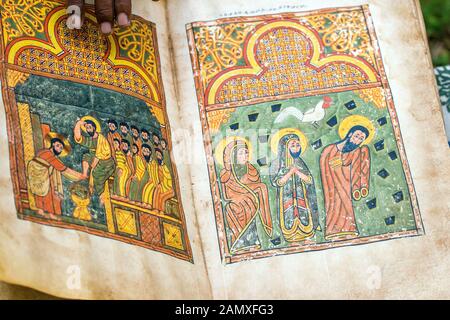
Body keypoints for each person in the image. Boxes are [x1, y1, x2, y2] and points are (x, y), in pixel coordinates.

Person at [219, 140, 273, 252]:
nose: (245, 156)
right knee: (239, 206)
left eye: (246, 153)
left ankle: (253, 241)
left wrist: (248, 191)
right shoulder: (226, 173)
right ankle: (238, 244)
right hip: (236, 204)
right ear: (233, 156)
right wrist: (240, 194)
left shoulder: (252, 169)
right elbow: (226, 196)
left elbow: (256, 187)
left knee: (258, 192)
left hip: (250, 201)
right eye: (241, 153)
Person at [320, 125, 371, 241]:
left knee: (347, 207)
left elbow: (357, 169)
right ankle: (332, 231)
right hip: (331, 185)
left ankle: (350, 229)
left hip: (347, 185)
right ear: (349, 134)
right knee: (333, 207)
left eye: (361, 139)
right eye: (356, 136)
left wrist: (343, 162)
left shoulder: (356, 151)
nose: (357, 140)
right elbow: (324, 165)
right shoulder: (330, 149)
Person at [270, 133, 320, 242]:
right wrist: (289, 172)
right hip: (286, 200)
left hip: (302, 197)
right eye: (293, 145)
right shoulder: (276, 163)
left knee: (304, 217)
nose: (296, 147)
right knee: (288, 219)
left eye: (298, 145)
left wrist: (297, 171)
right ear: (285, 147)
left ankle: (307, 235)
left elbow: (309, 179)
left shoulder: (300, 162)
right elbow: (276, 182)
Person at [28, 133, 84, 217]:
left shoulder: (52, 156)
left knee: (50, 190)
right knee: (43, 191)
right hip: (36, 172)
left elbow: (60, 167)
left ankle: (47, 211)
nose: (59, 149)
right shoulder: (47, 153)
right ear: (53, 144)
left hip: (44, 174)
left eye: (61, 148)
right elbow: (63, 168)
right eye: (58, 146)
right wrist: (80, 175)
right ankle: (40, 209)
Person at [73, 116, 115, 198]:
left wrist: (93, 166)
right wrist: (78, 124)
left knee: (96, 174)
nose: (88, 129)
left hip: (106, 162)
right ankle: (84, 175)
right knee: (86, 156)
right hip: (96, 160)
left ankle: (101, 194)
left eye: (90, 127)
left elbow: (102, 154)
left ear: (94, 128)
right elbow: (78, 137)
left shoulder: (101, 139)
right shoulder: (90, 140)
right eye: (86, 128)